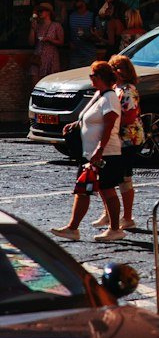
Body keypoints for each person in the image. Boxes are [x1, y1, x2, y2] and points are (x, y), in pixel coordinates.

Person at [51, 60, 126, 242]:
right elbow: (89, 118)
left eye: (92, 75)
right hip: (89, 153)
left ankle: (115, 229)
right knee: (83, 190)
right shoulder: (98, 95)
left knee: (107, 190)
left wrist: (100, 149)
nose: (90, 78)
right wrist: (75, 124)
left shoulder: (109, 98)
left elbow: (109, 125)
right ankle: (72, 228)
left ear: (99, 77)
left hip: (105, 153)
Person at [94, 54, 143, 232]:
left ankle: (127, 217)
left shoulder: (128, 90)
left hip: (128, 140)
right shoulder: (114, 89)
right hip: (117, 139)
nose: (118, 71)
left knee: (123, 178)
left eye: (121, 68)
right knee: (107, 178)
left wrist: (109, 123)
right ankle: (109, 213)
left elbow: (129, 116)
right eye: (115, 68)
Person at [28, 1, 65, 81]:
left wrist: (49, 39)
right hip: (38, 57)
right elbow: (31, 43)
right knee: (35, 83)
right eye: (39, 11)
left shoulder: (56, 26)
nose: (39, 13)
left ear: (48, 12)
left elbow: (61, 42)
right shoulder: (37, 26)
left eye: (42, 11)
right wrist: (32, 29)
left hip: (51, 57)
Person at [66, 0, 99, 68]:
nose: (75, 2)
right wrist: (69, 42)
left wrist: (88, 36)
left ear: (84, 2)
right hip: (74, 56)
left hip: (89, 55)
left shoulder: (93, 17)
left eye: (77, 0)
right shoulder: (70, 16)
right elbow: (66, 32)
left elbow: (98, 36)